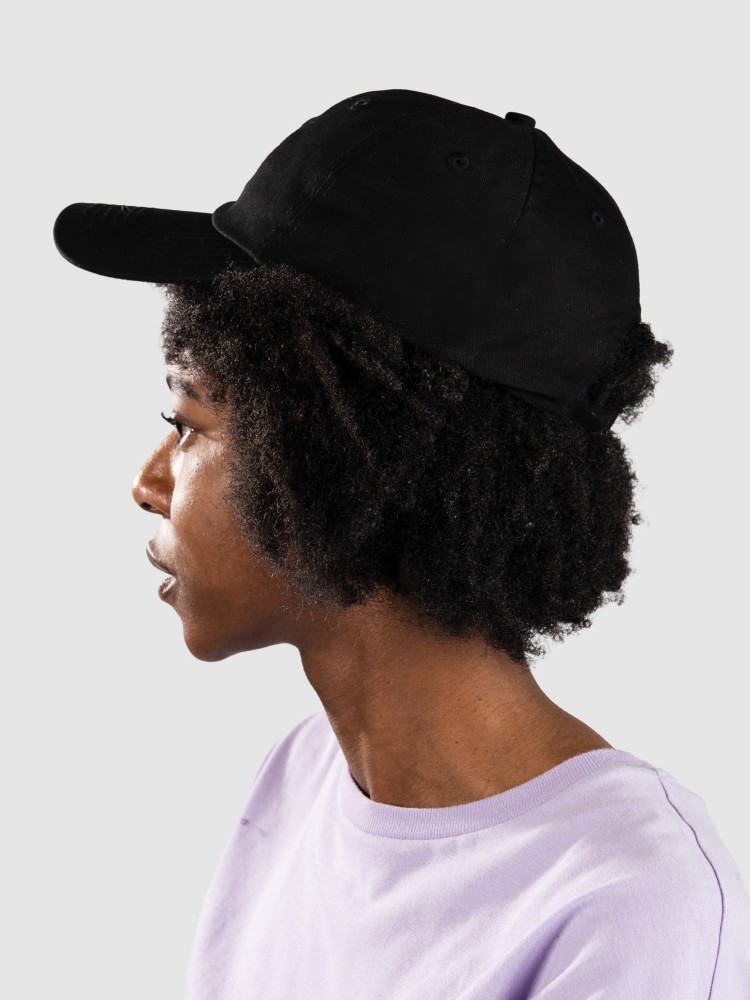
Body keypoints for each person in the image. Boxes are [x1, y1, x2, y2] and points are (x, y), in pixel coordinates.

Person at [53, 89, 750, 998]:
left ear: (335, 456)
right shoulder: (303, 779)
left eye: (185, 423)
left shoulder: (628, 905)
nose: (148, 483)